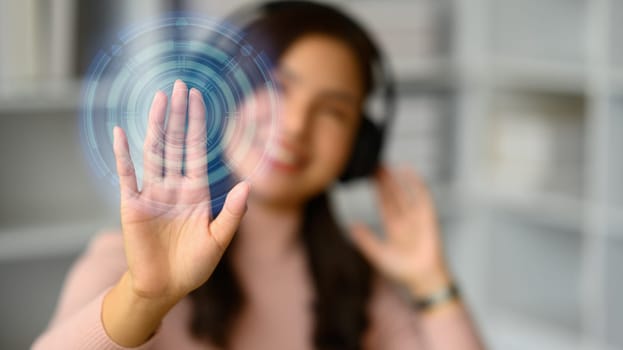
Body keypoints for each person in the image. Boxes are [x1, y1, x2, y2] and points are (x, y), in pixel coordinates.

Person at [33, 1, 485, 349]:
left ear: (358, 148)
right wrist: (143, 298)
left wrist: (432, 284)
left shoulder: (355, 284)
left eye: (333, 111)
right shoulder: (129, 264)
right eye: (276, 88)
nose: (294, 125)